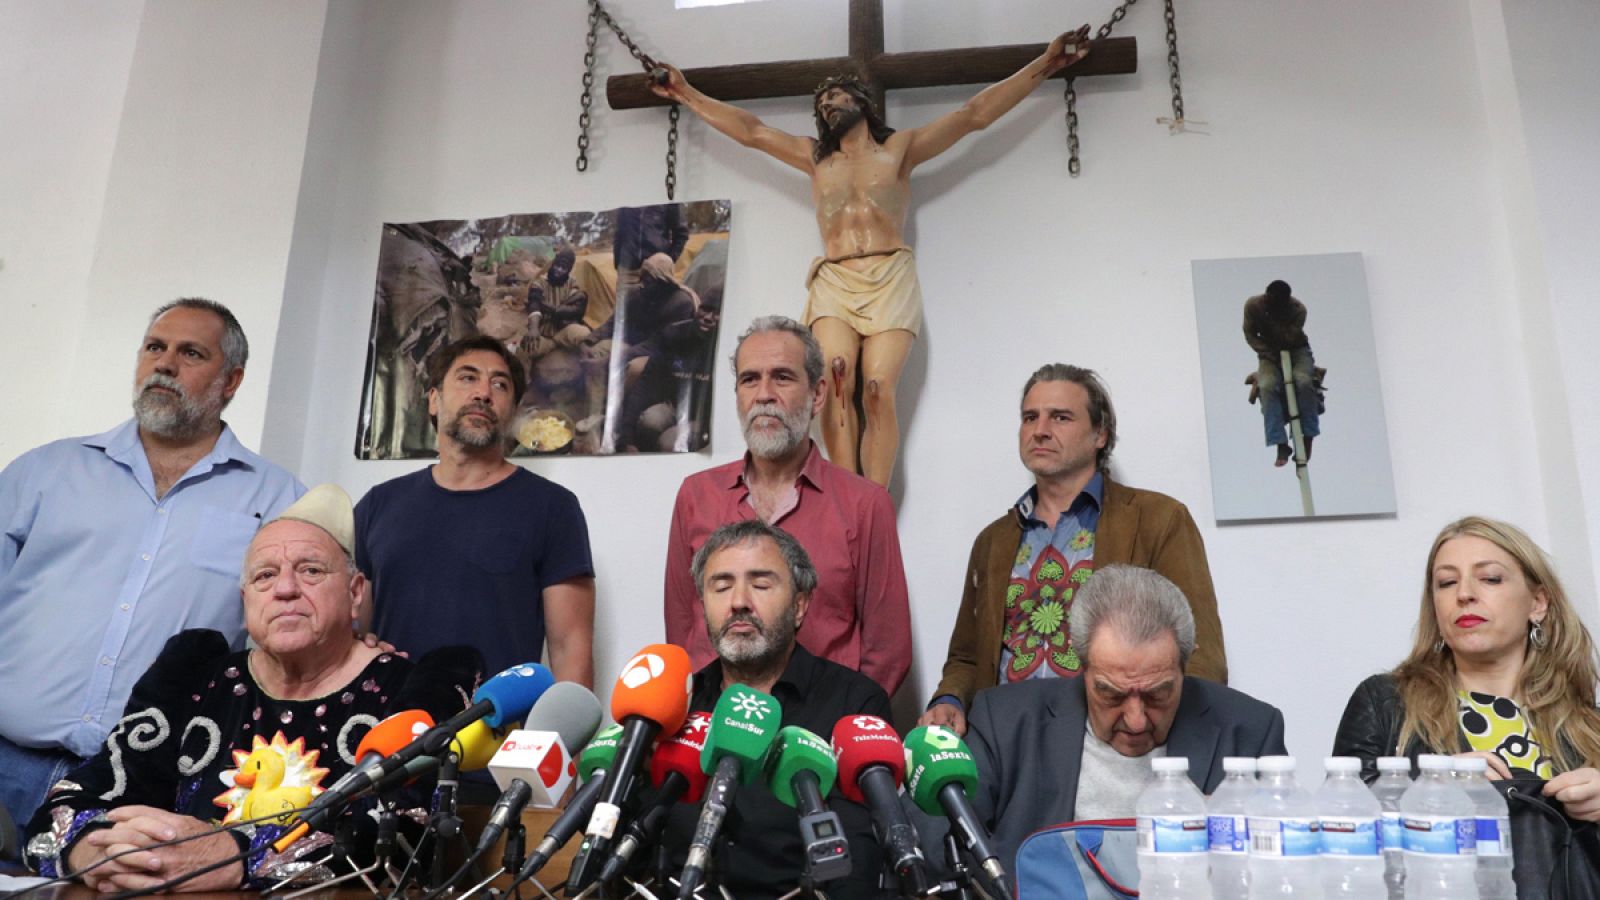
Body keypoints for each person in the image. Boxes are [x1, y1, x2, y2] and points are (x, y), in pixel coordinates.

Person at [651, 27, 1093, 488]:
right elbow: (753, 133)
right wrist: (684, 92)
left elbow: (974, 115)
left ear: (862, 103)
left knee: (879, 387)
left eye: (836, 97)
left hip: (889, 275)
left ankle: (874, 503)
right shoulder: (815, 158)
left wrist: (1047, 63)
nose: (828, 106)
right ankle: (845, 500)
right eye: (822, 104)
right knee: (835, 378)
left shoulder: (899, 150)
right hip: (835, 280)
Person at [21, 485, 482, 890]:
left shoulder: (411, 690)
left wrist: (231, 855)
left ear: (356, 592)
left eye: (311, 571)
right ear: (246, 601)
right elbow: (70, 804)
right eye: (265, 575)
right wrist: (95, 850)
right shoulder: (195, 680)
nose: (285, 589)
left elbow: (406, 836)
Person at [0, 298, 304, 832]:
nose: (164, 364)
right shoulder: (44, 472)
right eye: (155, 347)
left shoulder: (277, 499)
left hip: (143, 789)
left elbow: (290, 636)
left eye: (191, 353)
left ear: (231, 381)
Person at [921, 364, 1227, 735]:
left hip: (1112, 741)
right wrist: (949, 698)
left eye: (1060, 417)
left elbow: (1200, 652)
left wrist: (1169, 741)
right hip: (1005, 740)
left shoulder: (1159, 520)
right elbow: (966, 657)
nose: (1040, 430)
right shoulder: (993, 540)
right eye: (1030, 417)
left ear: (1100, 434)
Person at [924, 565, 1285, 877]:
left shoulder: (1250, 730)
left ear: (1185, 665)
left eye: (1158, 694)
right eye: (1111, 694)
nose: (1136, 721)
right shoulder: (1006, 722)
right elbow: (933, 839)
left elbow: (1280, 868)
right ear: (1081, 666)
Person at [663, 317, 911, 695]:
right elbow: (682, 628)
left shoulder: (865, 504)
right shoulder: (696, 496)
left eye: (782, 377)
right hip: (715, 718)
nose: (764, 394)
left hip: (824, 723)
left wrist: (842, 718)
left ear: (818, 395)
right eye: (750, 379)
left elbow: (888, 649)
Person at [662, 519, 892, 900]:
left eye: (760, 585)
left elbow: (855, 868)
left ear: (800, 605)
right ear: (703, 605)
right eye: (721, 586)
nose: (738, 601)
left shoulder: (853, 704)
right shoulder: (676, 704)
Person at [355, 336, 595, 687]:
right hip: (388, 717)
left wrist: (566, 723)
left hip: (498, 719)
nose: (483, 393)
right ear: (434, 400)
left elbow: (571, 649)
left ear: (512, 410)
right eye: (468, 378)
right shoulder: (378, 505)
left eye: (500, 385)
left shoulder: (553, 508)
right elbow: (350, 634)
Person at [1332, 516, 1600, 819]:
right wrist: (1432, 793)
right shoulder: (1385, 702)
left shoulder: (1590, 723)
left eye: (1490, 579)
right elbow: (1345, 822)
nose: (1464, 594)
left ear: (1537, 603)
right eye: (1447, 583)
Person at [1242, 279, 1321, 467]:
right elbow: (1250, 334)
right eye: (1270, 301)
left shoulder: (1298, 310)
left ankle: (1307, 435)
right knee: (1267, 386)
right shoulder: (1253, 305)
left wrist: (1277, 321)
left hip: (1297, 351)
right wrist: (1267, 352)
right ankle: (1280, 443)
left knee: (1303, 382)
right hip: (1268, 353)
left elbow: (1288, 338)